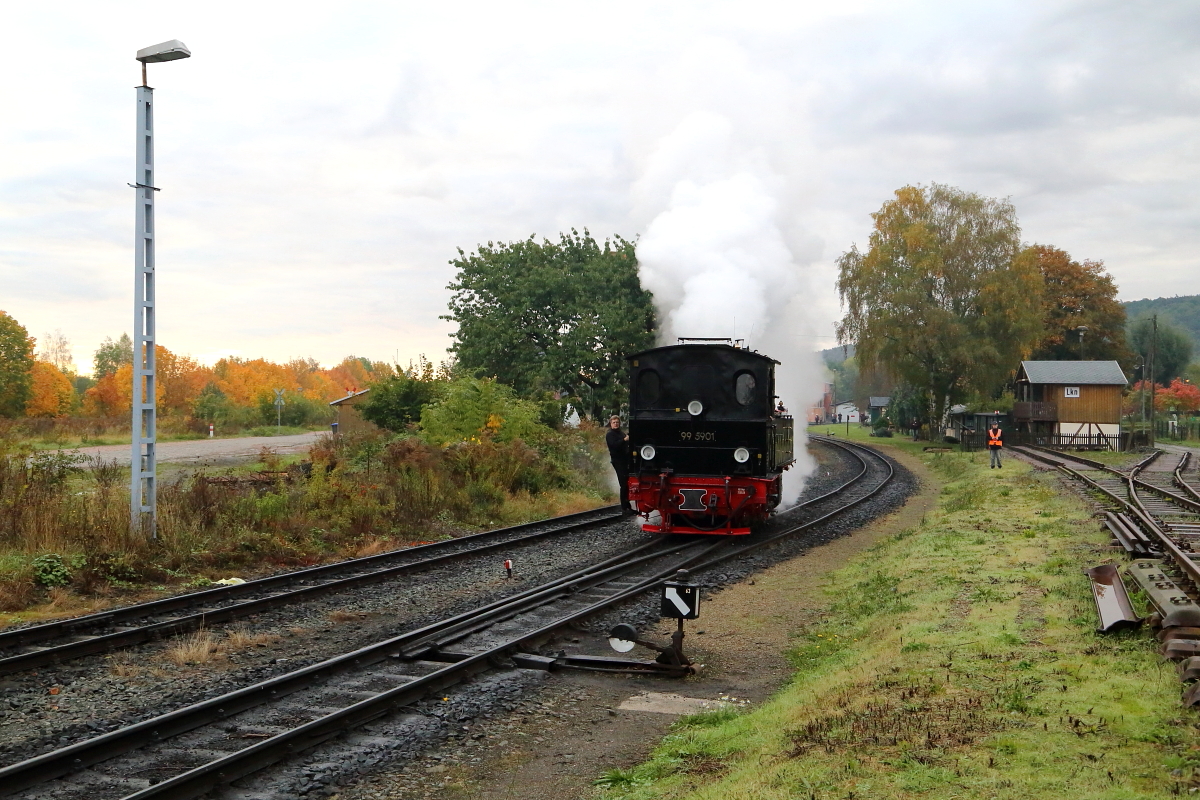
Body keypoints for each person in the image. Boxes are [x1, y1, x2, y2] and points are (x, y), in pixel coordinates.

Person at [606, 415, 632, 513]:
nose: (616, 424)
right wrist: (624, 440)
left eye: (617, 422)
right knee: (623, 483)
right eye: (614, 422)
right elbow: (614, 445)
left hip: (625, 460)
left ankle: (627, 504)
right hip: (617, 460)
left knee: (627, 482)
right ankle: (624, 507)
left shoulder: (621, 433)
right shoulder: (610, 435)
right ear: (611, 423)